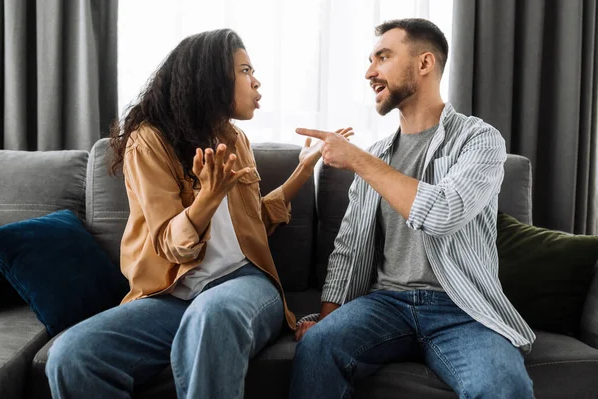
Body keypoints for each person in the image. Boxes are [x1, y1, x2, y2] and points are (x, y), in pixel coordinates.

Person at [45, 29, 352, 399]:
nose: (256, 82)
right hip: (172, 294)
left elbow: (255, 221)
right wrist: (208, 198)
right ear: (211, 76)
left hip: (245, 284)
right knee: (72, 355)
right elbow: (168, 244)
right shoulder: (149, 141)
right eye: (244, 70)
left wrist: (303, 169)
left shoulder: (236, 139)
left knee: (212, 314)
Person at [289, 18, 535, 399]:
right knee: (318, 347)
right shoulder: (379, 155)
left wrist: (358, 161)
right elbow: (350, 248)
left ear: (424, 64)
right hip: (386, 304)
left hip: (462, 309)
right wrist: (325, 320)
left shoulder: (480, 141)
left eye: (383, 57)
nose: (370, 72)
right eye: (370, 60)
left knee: (504, 385)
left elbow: (443, 212)